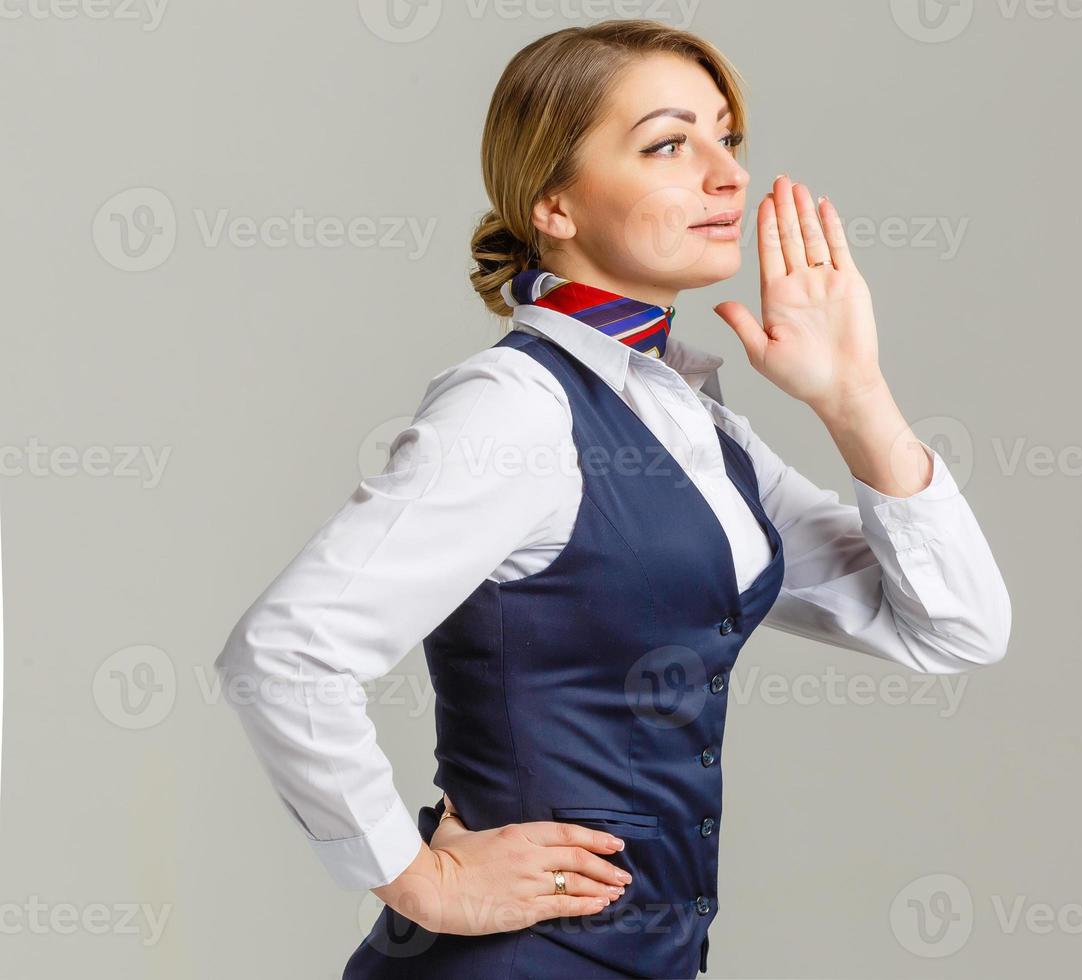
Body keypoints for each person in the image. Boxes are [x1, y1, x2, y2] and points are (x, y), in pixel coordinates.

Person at [213, 18, 1012, 979]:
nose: (726, 174)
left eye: (729, 139)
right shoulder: (517, 409)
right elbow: (284, 653)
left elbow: (954, 627)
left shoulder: (696, 423)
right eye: (671, 144)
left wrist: (854, 398)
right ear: (554, 202)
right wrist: (419, 878)